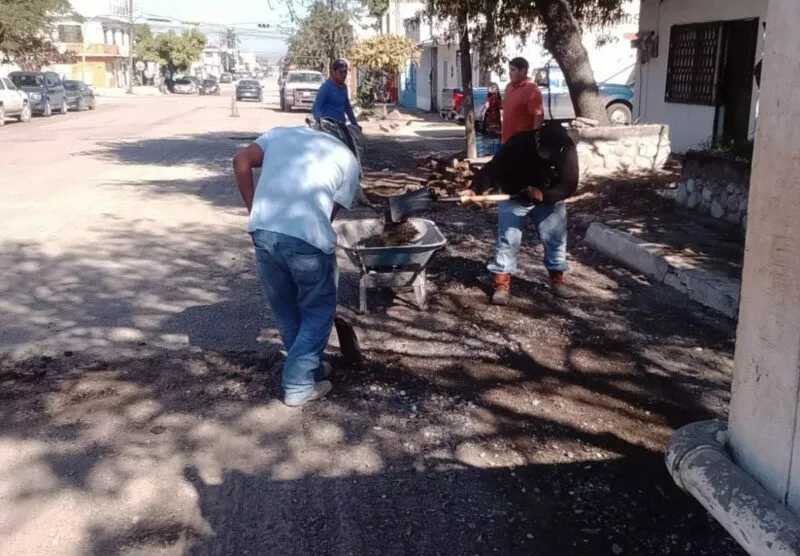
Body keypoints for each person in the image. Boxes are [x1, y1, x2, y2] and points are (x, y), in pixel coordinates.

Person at [232, 119, 361, 407]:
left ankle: (310, 368)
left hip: (263, 233)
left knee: (287, 308)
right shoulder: (349, 159)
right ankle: (298, 385)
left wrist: (256, 211)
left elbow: (240, 160)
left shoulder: (279, 134)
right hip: (306, 239)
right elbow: (330, 212)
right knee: (317, 312)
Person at [461, 123, 580, 304]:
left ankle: (557, 280)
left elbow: (569, 185)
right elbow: (493, 168)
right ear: (537, 138)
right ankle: (501, 285)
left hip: (547, 197)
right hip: (514, 193)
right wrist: (474, 189)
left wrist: (544, 195)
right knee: (508, 238)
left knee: (555, 239)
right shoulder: (517, 143)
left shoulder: (566, 149)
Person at [501, 57, 544, 144]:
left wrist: (534, 140)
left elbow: (538, 115)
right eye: (509, 69)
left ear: (522, 71)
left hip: (522, 142)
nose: (510, 73)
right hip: (507, 141)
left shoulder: (531, 89)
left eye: (513, 70)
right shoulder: (509, 87)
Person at [312, 59, 359, 128]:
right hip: (328, 128)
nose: (343, 75)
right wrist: (321, 122)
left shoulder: (344, 88)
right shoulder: (326, 87)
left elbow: (347, 107)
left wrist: (355, 124)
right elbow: (316, 108)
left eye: (345, 72)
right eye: (340, 72)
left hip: (341, 127)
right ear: (333, 72)